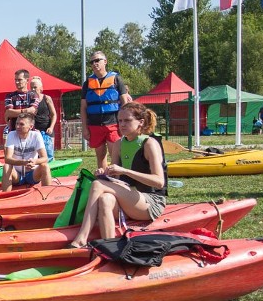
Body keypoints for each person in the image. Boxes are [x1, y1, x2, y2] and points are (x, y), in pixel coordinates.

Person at [68, 102, 166, 248]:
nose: (122, 124)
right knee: (105, 198)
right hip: (129, 198)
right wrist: (104, 173)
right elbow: (115, 178)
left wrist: (125, 171)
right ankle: (111, 247)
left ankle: (82, 236)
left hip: (150, 202)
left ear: (141, 122)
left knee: (97, 184)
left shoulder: (149, 143)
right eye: (120, 121)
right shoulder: (119, 144)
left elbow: (159, 182)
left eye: (127, 120)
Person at [80, 51, 132, 170]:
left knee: (115, 155)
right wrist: (84, 127)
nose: (94, 63)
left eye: (97, 60)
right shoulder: (87, 83)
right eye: (92, 62)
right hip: (94, 124)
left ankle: (118, 181)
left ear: (105, 61)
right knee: (100, 156)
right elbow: (83, 107)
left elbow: (125, 103)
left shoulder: (116, 79)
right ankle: (104, 180)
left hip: (113, 123)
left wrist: (123, 124)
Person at [1, 112, 52, 191]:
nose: (17, 126)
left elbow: (45, 158)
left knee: (45, 166)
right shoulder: (11, 134)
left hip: (32, 174)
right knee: (6, 166)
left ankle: (47, 196)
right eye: (17, 123)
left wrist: (34, 161)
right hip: (17, 175)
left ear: (30, 126)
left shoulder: (36, 135)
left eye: (21, 124)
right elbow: (7, 159)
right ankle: (5, 197)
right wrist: (23, 162)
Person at [29, 75, 57, 161]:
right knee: (36, 154)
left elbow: (54, 115)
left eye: (35, 87)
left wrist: (51, 127)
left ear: (41, 88)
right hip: (35, 131)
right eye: (31, 88)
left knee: (49, 152)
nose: (33, 90)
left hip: (47, 130)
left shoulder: (47, 98)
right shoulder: (29, 100)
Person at [4, 69, 37, 135]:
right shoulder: (10, 96)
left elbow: (33, 111)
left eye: (19, 80)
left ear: (27, 80)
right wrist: (26, 110)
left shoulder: (33, 95)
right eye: (15, 80)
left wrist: (15, 112)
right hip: (14, 132)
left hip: (30, 133)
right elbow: (9, 113)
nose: (17, 82)